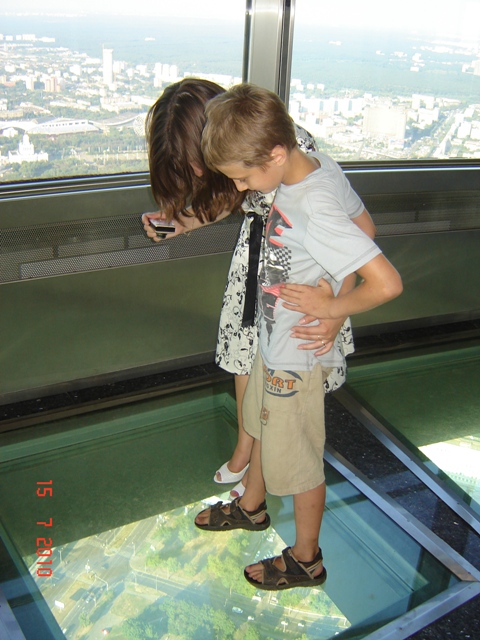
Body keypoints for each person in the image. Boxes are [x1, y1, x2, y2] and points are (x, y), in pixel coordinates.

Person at [194, 83, 403, 590]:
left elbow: (387, 282)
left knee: (300, 460)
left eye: (243, 177)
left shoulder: (312, 203)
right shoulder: (317, 166)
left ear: (275, 153)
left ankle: (307, 558)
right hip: (273, 343)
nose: (241, 187)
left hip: (295, 359)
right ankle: (253, 507)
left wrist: (333, 309)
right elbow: (366, 226)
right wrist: (333, 290)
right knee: (262, 427)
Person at [142, 78, 376, 498]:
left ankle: (255, 487)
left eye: (195, 161)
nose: (199, 173)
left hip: (296, 279)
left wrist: (337, 308)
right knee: (242, 359)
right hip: (259, 260)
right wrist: (184, 222)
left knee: (273, 379)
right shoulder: (245, 151)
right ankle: (246, 447)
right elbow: (244, 197)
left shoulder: (288, 152)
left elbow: (354, 235)